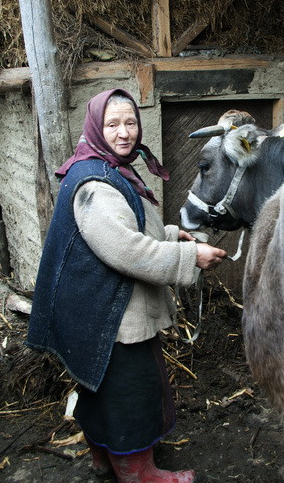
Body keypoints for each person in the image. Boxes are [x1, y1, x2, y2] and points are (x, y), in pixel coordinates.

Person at [27, 88, 227, 483]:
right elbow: (127, 251)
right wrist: (191, 258)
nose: (124, 133)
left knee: (99, 384)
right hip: (113, 315)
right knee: (129, 390)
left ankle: (104, 456)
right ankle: (139, 472)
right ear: (96, 128)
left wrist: (172, 236)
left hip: (98, 306)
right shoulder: (95, 185)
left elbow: (131, 227)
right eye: (113, 124)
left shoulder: (107, 166)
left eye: (130, 122)